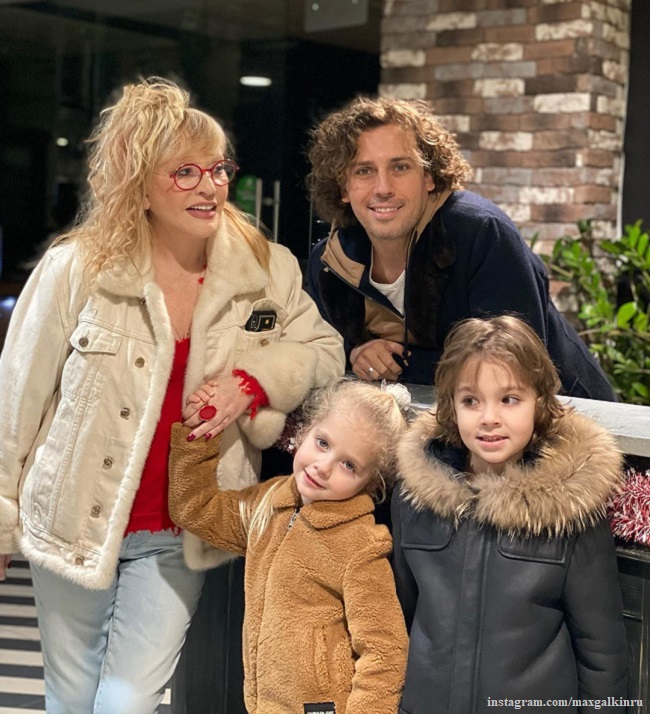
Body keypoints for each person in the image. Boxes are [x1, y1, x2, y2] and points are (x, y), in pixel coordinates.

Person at [0, 77, 344, 713]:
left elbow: (324, 351)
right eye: (184, 172)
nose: (209, 186)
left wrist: (251, 381)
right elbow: (14, 400)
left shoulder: (267, 268)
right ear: (139, 184)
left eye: (217, 169)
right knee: (71, 698)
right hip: (72, 517)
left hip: (183, 527)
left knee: (126, 701)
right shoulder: (78, 267)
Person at [306, 96, 616, 400]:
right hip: (434, 419)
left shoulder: (482, 232)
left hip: (564, 414)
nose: (383, 188)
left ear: (428, 177)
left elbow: (510, 363)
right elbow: (317, 351)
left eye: (400, 167)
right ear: (344, 187)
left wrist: (397, 363)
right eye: (364, 171)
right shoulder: (329, 262)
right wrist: (355, 353)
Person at [391, 316, 628, 713]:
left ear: (540, 402)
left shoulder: (571, 508)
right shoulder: (414, 497)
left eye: (509, 399)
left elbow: (601, 650)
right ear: (451, 406)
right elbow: (399, 617)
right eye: (471, 400)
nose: (489, 418)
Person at [168, 378, 410, 714]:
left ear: (370, 482)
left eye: (349, 465)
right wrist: (199, 433)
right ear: (305, 431)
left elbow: (385, 651)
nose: (323, 467)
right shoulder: (269, 503)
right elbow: (196, 509)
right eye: (323, 443)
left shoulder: (361, 546)